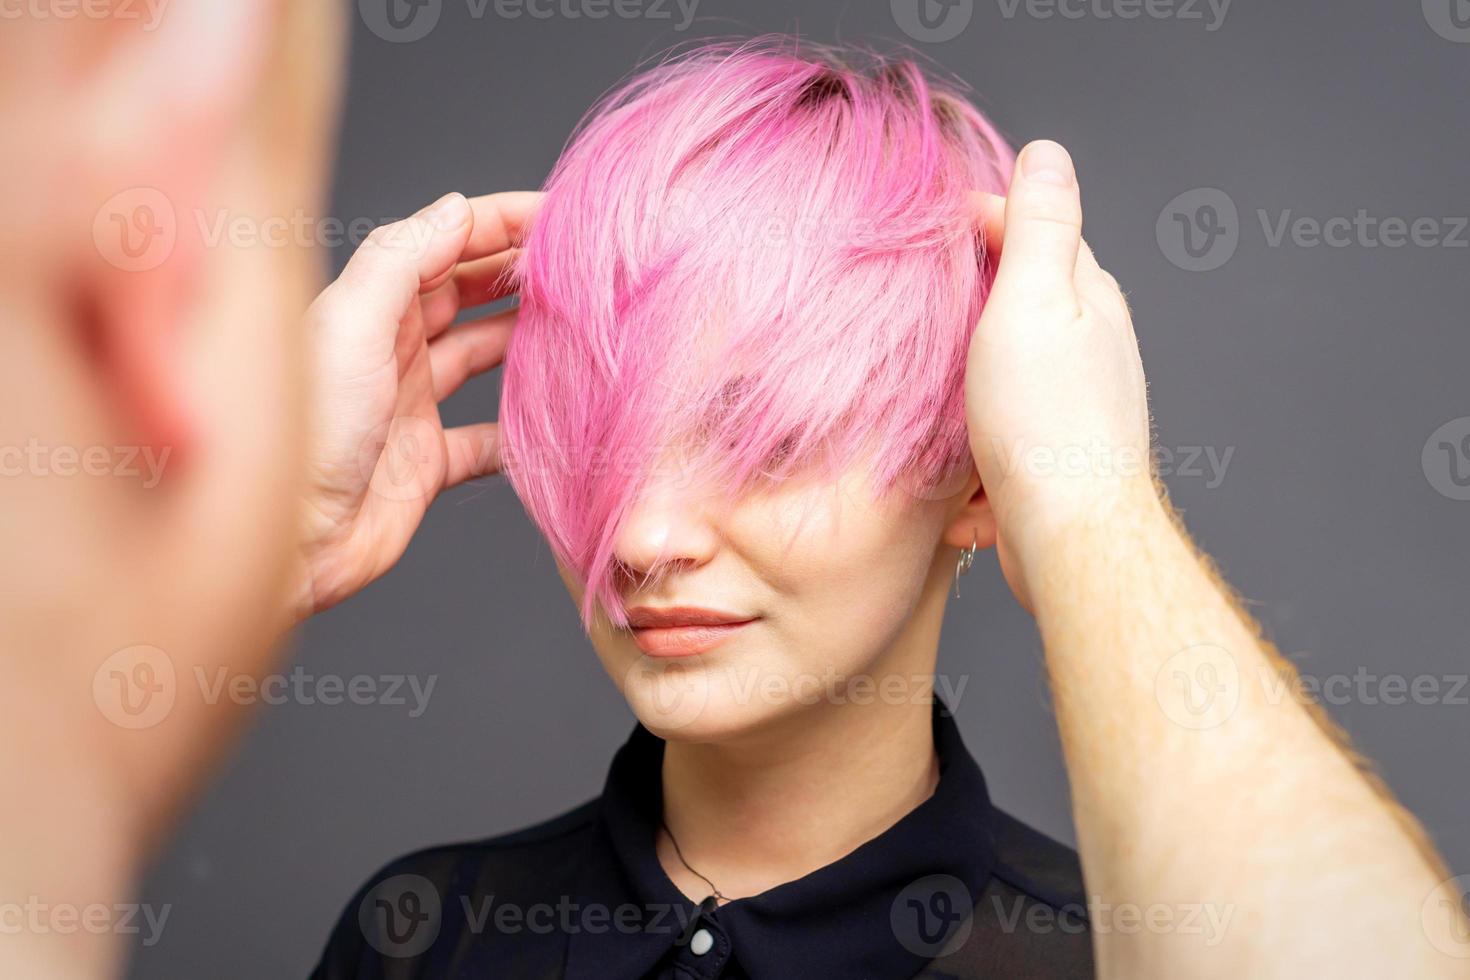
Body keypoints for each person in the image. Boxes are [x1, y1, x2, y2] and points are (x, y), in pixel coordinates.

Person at [0, 10, 1463, 980]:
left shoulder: (1127, 950)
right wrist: (260, 541)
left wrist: (1088, 502)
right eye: (612, 435)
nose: (637, 539)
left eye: (762, 435)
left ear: (969, 472)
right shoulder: (423, 938)